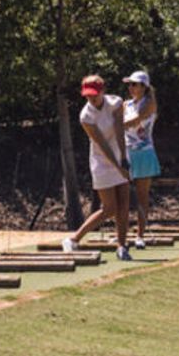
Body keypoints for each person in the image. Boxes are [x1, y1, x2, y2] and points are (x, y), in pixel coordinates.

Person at [63, 74, 133, 261]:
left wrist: (124, 159)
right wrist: (119, 167)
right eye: (87, 95)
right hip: (101, 162)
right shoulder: (86, 116)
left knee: (124, 204)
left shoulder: (116, 103)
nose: (91, 99)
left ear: (102, 90)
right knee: (110, 208)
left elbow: (119, 131)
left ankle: (122, 247)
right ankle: (74, 238)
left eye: (94, 94)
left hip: (120, 155)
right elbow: (102, 144)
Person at [121, 71, 161, 250]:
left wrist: (109, 128)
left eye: (134, 84)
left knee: (142, 196)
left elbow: (134, 122)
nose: (131, 87)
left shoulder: (150, 103)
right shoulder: (125, 104)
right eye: (129, 84)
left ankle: (140, 235)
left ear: (144, 87)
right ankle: (121, 233)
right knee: (122, 195)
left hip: (144, 153)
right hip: (126, 153)